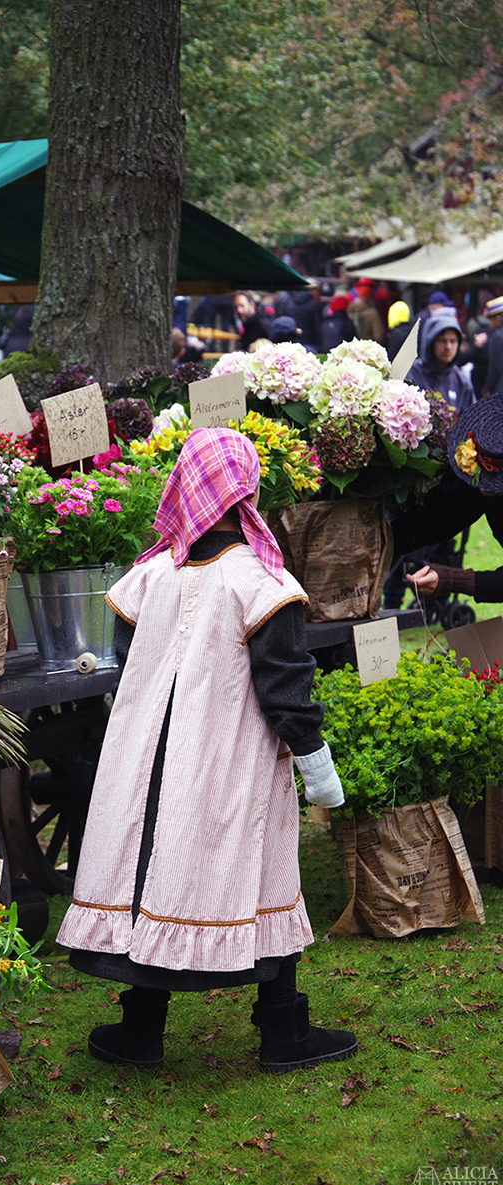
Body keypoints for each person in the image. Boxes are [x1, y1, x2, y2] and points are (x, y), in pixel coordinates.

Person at [57, 428, 358, 1073]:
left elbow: (125, 660)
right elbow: (285, 688)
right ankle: (283, 1031)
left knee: (150, 874)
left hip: (148, 760)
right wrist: (317, 766)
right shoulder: (258, 583)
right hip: (230, 763)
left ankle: (141, 1031)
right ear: (244, 490)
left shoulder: (149, 576)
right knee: (261, 873)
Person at [407, 394, 503, 602]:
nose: (486, 489)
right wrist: (381, 540)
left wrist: (452, 580)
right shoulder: (479, 480)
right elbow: (440, 517)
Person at [407, 313, 475, 414]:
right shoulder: (413, 375)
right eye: (442, 341)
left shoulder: (461, 381)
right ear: (431, 343)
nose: (448, 347)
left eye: (453, 341)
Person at [274, 281, 322, 351]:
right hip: (309, 342)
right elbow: (317, 325)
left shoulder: (285, 301)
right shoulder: (313, 303)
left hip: (290, 341)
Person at [348, 278, 385, 345]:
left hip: (353, 348)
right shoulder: (372, 313)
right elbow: (379, 336)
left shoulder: (349, 311)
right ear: (370, 298)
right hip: (366, 348)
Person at [482, 297, 503, 396]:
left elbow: (495, 366)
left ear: (498, 318)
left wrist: (487, 388)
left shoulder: (497, 337)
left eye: (491, 319)